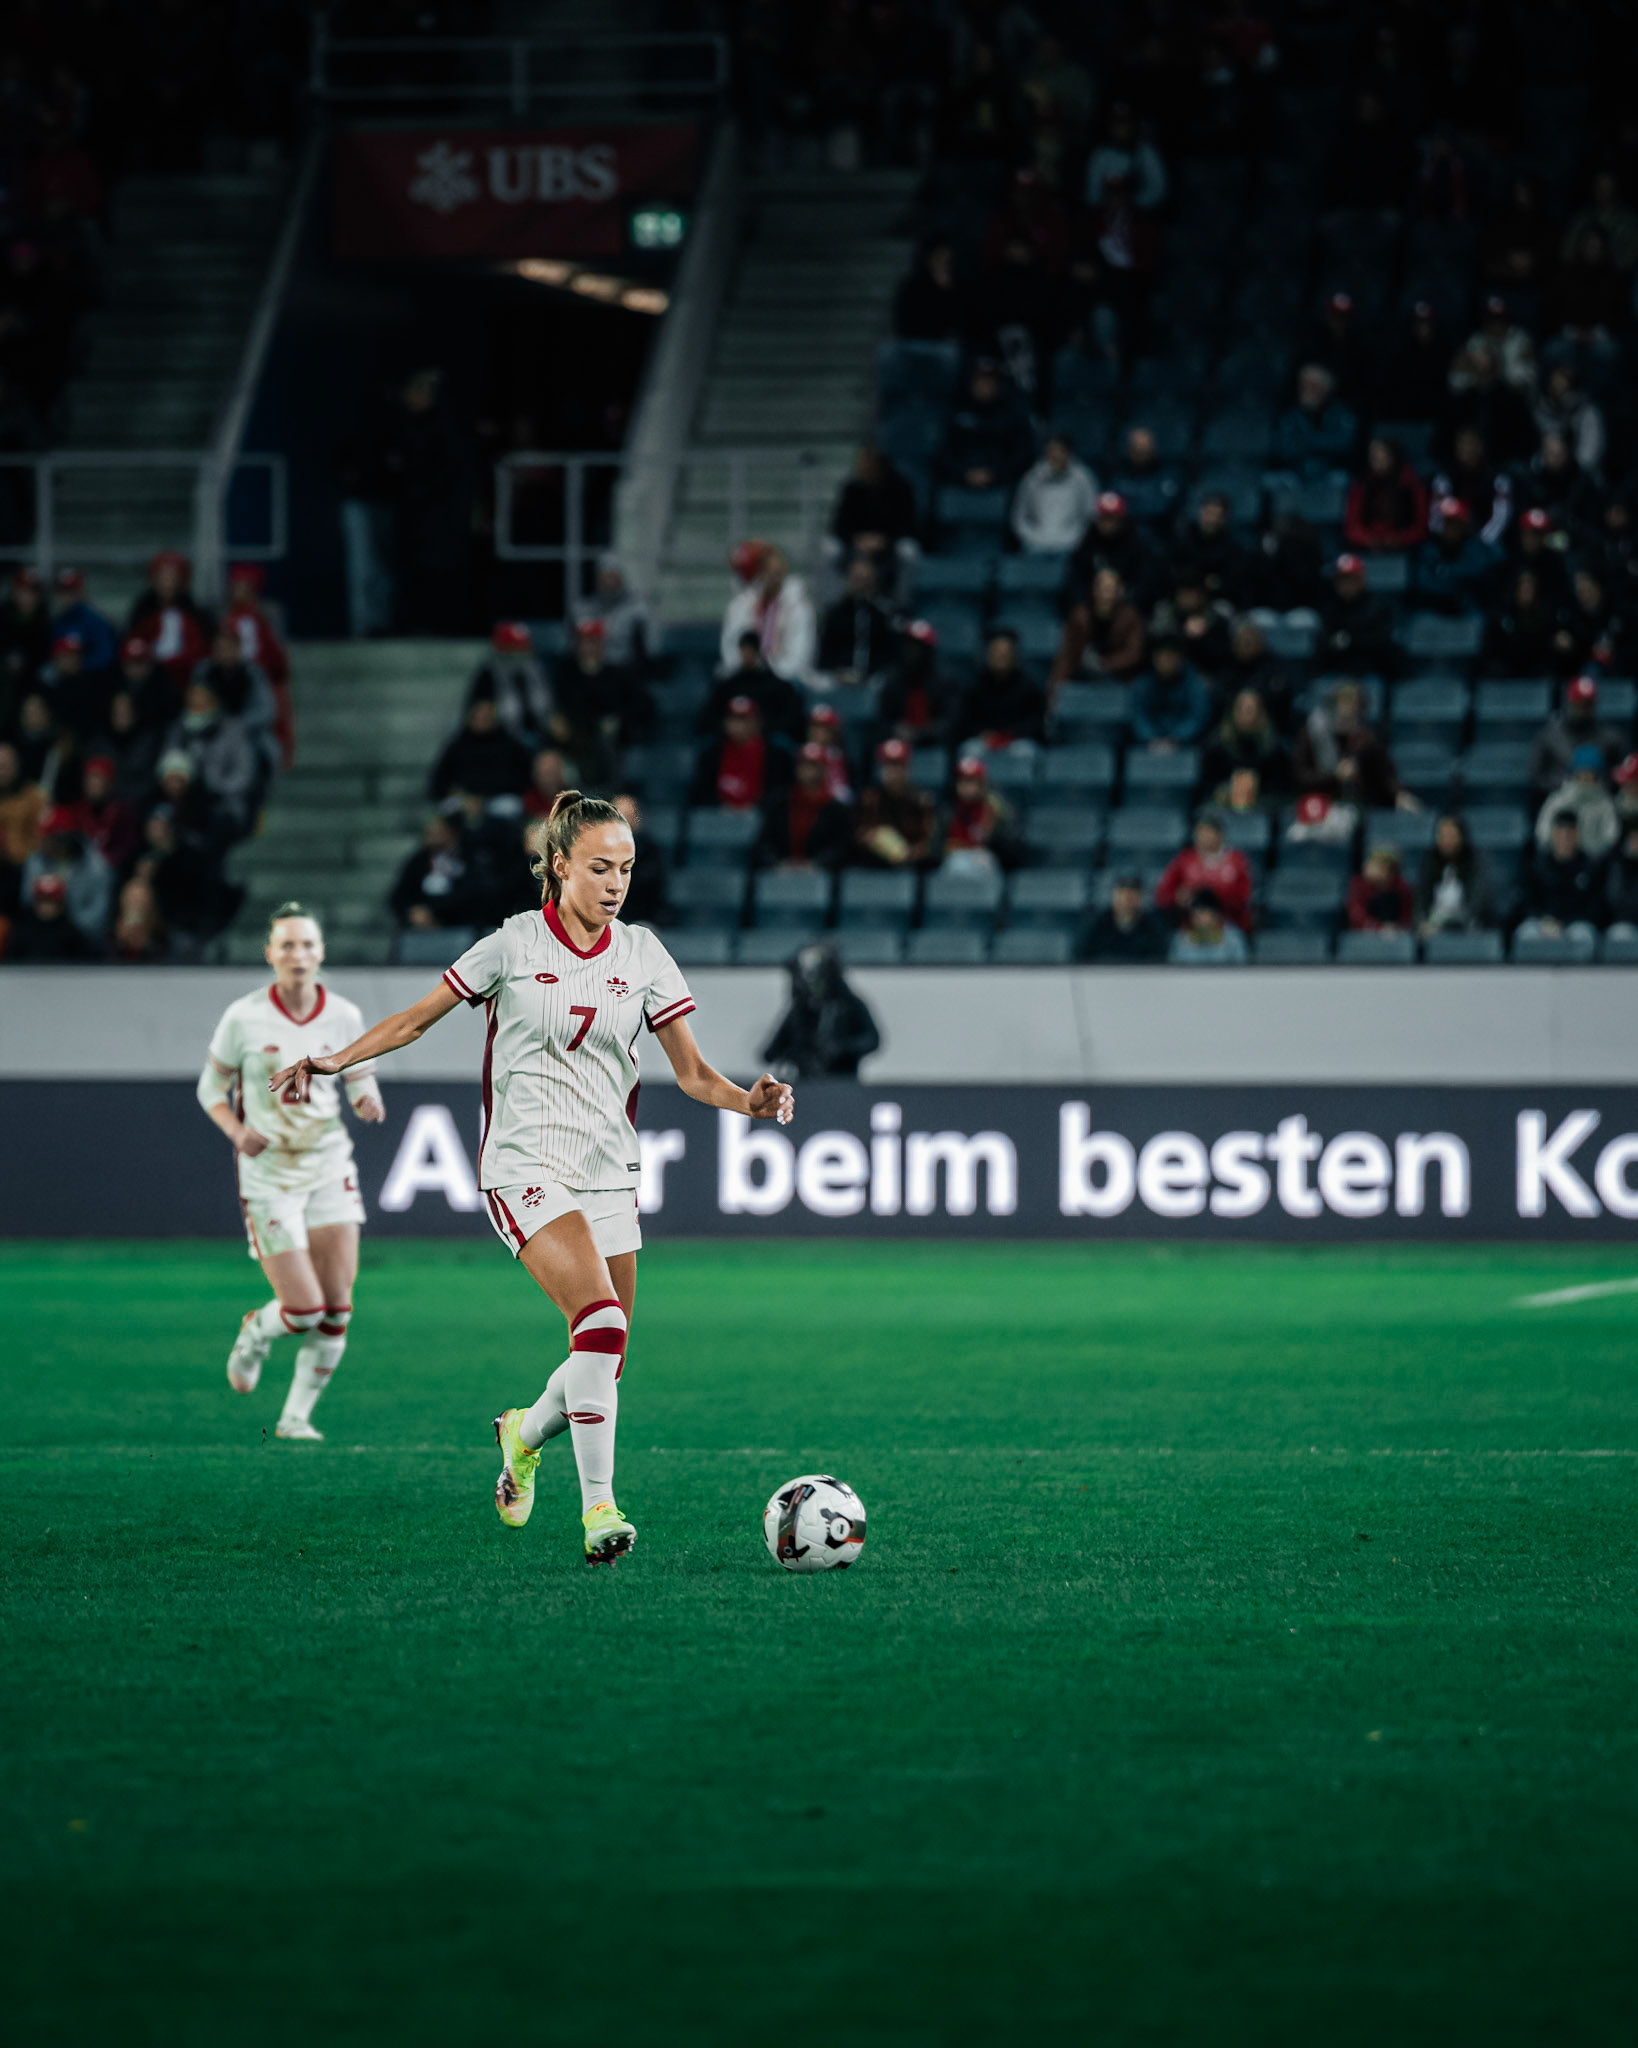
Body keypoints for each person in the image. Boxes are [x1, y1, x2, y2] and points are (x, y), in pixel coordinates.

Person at [270, 793, 795, 1566]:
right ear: (559, 867)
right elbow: (415, 1019)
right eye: (600, 868)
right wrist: (335, 1058)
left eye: (626, 869)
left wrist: (747, 1100)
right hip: (524, 1165)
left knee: (605, 1356)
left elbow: (690, 1073)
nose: (617, 884)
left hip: (607, 1170)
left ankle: (522, 1432)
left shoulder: (643, 953)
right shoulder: (511, 947)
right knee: (601, 1323)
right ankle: (600, 1510)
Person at [196, 905, 387, 1442]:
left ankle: (295, 1417)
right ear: (270, 954)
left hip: (327, 1164)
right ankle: (256, 1332)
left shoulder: (344, 1014)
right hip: (269, 1172)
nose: (298, 955)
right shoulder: (244, 1017)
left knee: (338, 1306)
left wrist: (367, 1098)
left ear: (321, 952)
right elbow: (209, 1091)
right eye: (287, 946)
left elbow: (359, 1079)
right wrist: (238, 1132)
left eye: (307, 945)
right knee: (303, 1309)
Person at [763, 942, 879, 1080]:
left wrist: (841, 1048)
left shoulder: (849, 1005)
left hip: (843, 1082)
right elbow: (771, 1052)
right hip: (806, 1083)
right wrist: (794, 1054)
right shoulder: (800, 1009)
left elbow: (872, 1040)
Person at [1295, 681, 1404, 810]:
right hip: (1317, 806)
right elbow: (1301, 776)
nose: (1348, 711)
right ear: (1333, 706)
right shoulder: (1313, 732)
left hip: (1357, 807)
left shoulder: (1366, 737)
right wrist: (1334, 775)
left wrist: (1399, 795)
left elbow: (1384, 775)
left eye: (1354, 707)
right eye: (1344, 704)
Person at [719, 541, 817, 685]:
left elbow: (799, 656)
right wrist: (745, 666)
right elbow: (730, 645)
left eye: (777, 573)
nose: (771, 578)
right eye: (766, 571)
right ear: (759, 573)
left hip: (784, 680)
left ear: (784, 571)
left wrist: (770, 669)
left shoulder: (800, 608)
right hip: (746, 674)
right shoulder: (742, 605)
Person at [939, 358, 1034, 490]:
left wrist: (994, 474)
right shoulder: (956, 412)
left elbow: (1023, 453)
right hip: (959, 481)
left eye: (990, 380)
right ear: (971, 382)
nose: (985, 385)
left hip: (1002, 483)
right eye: (980, 380)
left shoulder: (1012, 414)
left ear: (998, 384)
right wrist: (964, 473)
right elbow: (943, 452)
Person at [699, 630, 807, 746]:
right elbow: (710, 714)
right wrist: (728, 727)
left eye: (750, 649)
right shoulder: (729, 685)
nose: (746, 654)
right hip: (730, 741)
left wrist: (763, 727)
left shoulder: (776, 685)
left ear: (758, 651)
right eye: (744, 649)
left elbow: (791, 717)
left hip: (767, 743)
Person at [829, 447, 918, 585]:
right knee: (830, 549)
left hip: (889, 544)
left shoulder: (900, 487)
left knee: (908, 551)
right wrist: (858, 539)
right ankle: (836, 604)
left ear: (879, 464)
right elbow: (839, 525)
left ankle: (901, 603)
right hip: (856, 544)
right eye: (862, 462)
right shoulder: (851, 489)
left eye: (868, 462)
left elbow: (908, 525)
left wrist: (884, 540)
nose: (863, 467)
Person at [757, 742, 852, 869]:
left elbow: (840, 847)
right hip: (779, 874)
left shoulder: (837, 809)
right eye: (803, 764)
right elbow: (764, 842)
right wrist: (778, 863)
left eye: (813, 765)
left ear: (824, 769)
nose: (808, 770)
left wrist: (815, 864)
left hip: (820, 876)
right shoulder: (778, 802)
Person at [1155, 810, 1253, 931]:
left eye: (1208, 831)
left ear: (1220, 834)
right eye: (1199, 832)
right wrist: (1178, 897)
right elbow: (1163, 895)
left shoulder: (1237, 860)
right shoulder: (1185, 860)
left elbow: (1243, 897)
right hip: (1192, 929)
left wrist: (1210, 896)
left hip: (1229, 927)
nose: (1203, 837)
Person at [470, 622, 560, 752]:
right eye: (518, 647)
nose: (524, 652)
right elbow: (481, 716)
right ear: (504, 649)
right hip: (503, 743)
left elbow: (549, 708)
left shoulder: (536, 671)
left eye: (525, 647)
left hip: (541, 739)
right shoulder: (488, 676)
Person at [693, 696, 793, 811]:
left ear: (757, 722)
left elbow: (782, 793)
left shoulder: (777, 755)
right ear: (725, 723)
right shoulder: (711, 754)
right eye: (734, 719)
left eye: (744, 719)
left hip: (763, 818)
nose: (739, 725)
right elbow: (701, 792)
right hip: (719, 818)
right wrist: (721, 806)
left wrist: (757, 806)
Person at [816, 556, 902, 689]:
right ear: (849, 580)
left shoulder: (885, 614)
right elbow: (826, 653)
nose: (862, 584)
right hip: (840, 677)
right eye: (857, 579)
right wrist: (839, 672)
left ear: (874, 581)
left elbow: (893, 655)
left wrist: (873, 672)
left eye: (866, 580)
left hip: (875, 678)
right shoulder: (836, 613)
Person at [1050, 565, 1146, 685]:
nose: (1106, 595)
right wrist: (1057, 689)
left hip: (1119, 677)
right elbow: (1068, 654)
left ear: (1119, 591)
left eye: (1110, 589)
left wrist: (1104, 664)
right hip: (1084, 675)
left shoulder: (1130, 617)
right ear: (1094, 590)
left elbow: (1133, 653)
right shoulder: (1080, 616)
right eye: (1103, 589)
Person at [1531, 676, 1627, 793]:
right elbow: (1537, 776)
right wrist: (1566, 784)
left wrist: (1597, 784)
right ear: (1569, 703)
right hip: (1560, 802)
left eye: (1588, 704)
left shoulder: (1611, 739)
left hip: (1599, 800)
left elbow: (1621, 775)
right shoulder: (1549, 737)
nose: (1583, 709)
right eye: (1578, 703)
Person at [429, 697, 532, 805]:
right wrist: (460, 794)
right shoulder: (457, 746)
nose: (481, 721)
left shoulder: (510, 745)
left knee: (509, 806)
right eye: (477, 717)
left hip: (500, 798)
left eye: (486, 717)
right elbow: (438, 783)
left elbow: (521, 779)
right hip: (464, 799)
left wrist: (485, 796)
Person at [851, 738, 936, 869]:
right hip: (873, 865)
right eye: (889, 765)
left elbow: (930, 844)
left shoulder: (922, 801)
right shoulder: (869, 799)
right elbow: (856, 835)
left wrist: (907, 854)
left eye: (899, 765)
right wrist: (872, 838)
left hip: (912, 867)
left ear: (908, 768)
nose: (894, 772)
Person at [1010, 433, 1098, 555]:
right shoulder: (1031, 478)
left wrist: (1077, 538)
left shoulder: (1083, 478)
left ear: (1069, 453)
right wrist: (1031, 537)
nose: (1056, 455)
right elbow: (1018, 516)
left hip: (1071, 544)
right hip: (1035, 544)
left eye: (1061, 451)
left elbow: (1091, 514)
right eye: (1051, 451)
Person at [878, 619, 959, 751]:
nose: (911, 653)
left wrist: (922, 733)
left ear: (927, 651)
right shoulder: (892, 681)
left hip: (932, 746)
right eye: (908, 646)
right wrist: (896, 729)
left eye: (916, 648)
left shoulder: (946, 682)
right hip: (897, 746)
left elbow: (950, 723)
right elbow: (882, 720)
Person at [957, 629, 1046, 747]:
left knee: (1025, 750)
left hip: (1017, 740)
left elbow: (1036, 722)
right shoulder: (973, 685)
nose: (1000, 657)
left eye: (1005, 653)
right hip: (984, 741)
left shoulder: (1029, 686)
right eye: (996, 652)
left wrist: (1011, 735)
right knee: (970, 748)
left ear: (1014, 655)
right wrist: (982, 733)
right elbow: (965, 720)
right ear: (987, 655)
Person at [1521, 810, 1603, 937]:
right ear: (1553, 834)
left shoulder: (1589, 866)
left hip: (1576, 923)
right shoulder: (1538, 865)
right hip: (1543, 923)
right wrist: (1544, 921)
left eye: (1569, 834)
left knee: (1582, 934)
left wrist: (1564, 923)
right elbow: (1529, 903)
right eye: (1560, 833)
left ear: (1577, 835)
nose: (1564, 839)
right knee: (1527, 933)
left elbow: (1595, 908)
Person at [1199, 689, 1290, 799]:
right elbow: (1206, 784)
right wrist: (1222, 791)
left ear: (1260, 713)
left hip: (1263, 808)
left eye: (1249, 710)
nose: (1244, 715)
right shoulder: (1217, 745)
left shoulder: (1273, 748)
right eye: (1240, 709)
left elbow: (1281, 787)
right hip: (1224, 808)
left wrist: (1254, 790)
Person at [1414, 497, 1500, 612]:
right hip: (1431, 610)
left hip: (1466, 610)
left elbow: (1477, 571)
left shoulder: (1475, 547)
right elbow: (1423, 580)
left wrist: (1446, 571)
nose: (1451, 529)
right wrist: (1455, 581)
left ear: (1465, 527)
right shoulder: (1430, 548)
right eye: (1447, 523)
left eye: (1456, 524)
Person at [1535, 744, 1619, 861]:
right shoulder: (1558, 800)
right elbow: (1543, 831)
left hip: (1591, 864)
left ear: (1598, 777)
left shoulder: (1605, 804)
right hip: (1559, 861)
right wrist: (1558, 848)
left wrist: (1593, 853)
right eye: (1581, 775)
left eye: (1590, 776)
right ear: (1573, 774)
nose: (1585, 780)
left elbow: (1610, 836)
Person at [1344, 437, 1430, 553]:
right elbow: (1352, 526)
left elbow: (1421, 527)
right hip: (1366, 549)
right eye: (1373, 456)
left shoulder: (1412, 485)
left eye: (1382, 455)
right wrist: (1368, 540)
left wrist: (1399, 539)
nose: (1377, 460)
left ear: (1393, 456)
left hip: (1407, 549)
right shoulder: (1361, 485)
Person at [1272, 364, 1358, 480]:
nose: (1307, 391)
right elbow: (1283, 448)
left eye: (1313, 385)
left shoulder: (1341, 413)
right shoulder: (1291, 416)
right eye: (1303, 385)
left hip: (1330, 477)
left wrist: (1306, 441)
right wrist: (1323, 442)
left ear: (1327, 388)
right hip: (1297, 477)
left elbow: (1344, 444)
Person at [572, 555, 653, 671]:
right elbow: (581, 651)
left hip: (627, 671)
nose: (608, 583)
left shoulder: (638, 609)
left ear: (621, 580)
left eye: (612, 577)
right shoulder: (583, 609)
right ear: (597, 580)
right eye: (604, 578)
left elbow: (651, 648)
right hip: (593, 672)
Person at [1417, 814, 1495, 934]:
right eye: (1442, 836)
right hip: (1434, 926)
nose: (1447, 841)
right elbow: (1422, 900)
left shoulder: (1475, 861)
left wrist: (1450, 925)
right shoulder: (1429, 860)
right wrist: (1423, 922)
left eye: (1451, 836)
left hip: (1467, 926)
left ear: (1462, 837)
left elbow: (1475, 904)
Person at [1130, 636, 1209, 752]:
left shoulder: (1195, 684)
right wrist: (1150, 738)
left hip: (1185, 744)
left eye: (1168, 657)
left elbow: (1197, 716)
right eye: (1159, 657)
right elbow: (1137, 715)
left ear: (1178, 658)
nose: (1163, 661)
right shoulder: (1143, 684)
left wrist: (1176, 738)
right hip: (1149, 744)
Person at [938, 754, 1018, 869]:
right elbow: (937, 847)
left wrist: (988, 846)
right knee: (957, 861)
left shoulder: (997, 807)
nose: (964, 786)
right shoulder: (948, 810)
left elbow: (1010, 847)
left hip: (988, 860)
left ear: (982, 784)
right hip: (954, 860)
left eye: (970, 781)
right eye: (961, 781)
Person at [7, 868, 92, 960]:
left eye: (51, 901)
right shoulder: (22, 931)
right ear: (35, 902)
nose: (46, 906)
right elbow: (12, 962)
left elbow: (83, 964)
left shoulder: (71, 933)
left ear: (60, 904)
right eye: (42, 901)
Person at [1085, 872, 1168, 961]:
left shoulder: (1153, 927)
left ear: (1140, 898)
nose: (1126, 898)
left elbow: (1160, 959)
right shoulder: (1098, 925)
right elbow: (1082, 956)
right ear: (1113, 896)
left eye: (1132, 894)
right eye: (1121, 893)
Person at [1167, 887, 1248, 963]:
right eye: (1195, 915)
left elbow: (1243, 972)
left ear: (1217, 916)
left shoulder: (1233, 939)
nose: (1199, 920)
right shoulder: (1181, 940)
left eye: (1204, 914)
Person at [1347, 845, 1416, 932]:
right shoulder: (1358, 885)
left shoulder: (1403, 888)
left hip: (1396, 935)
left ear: (1386, 870)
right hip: (1366, 935)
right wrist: (1379, 927)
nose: (1365, 866)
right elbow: (1357, 917)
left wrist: (1396, 928)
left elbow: (1407, 918)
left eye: (1371, 864)